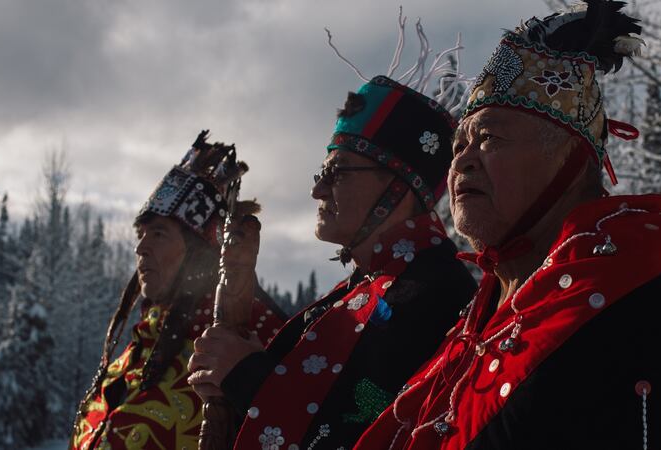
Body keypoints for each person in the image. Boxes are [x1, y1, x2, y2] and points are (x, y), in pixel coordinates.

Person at [354, 1, 661, 449]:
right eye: (460, 145)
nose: (461, 160)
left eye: (489, 138)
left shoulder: (647, 304)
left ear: (572, 160)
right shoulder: (487, 310)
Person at [187, 75, 477, 449]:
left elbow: (376, 436)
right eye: (321, 173)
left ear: (398, 186)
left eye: (335, 172)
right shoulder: (361, 289)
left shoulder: (437, 296)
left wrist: (247, 378)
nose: (317, 190)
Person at [69, 131, 286, 450]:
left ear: (197, 253)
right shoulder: (139, 349)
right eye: (140, 234)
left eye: (158, 234)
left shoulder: (243, 345)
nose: (141, 247)